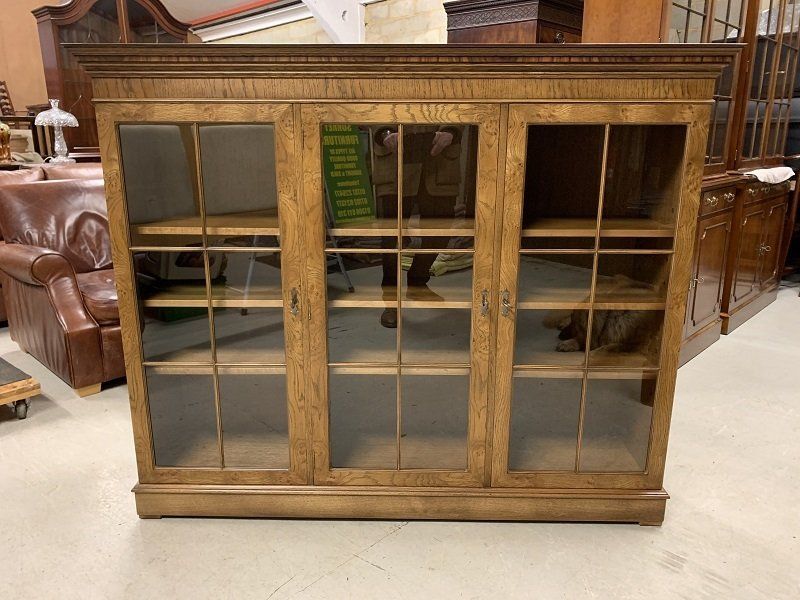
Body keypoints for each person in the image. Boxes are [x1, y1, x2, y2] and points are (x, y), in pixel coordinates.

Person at [371, 125, 464, 328]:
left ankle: (417, 281)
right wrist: (384, 133)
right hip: (396, 160)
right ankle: (391, 302)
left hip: (440, 161)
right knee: (391, 239)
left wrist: (452, 132)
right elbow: (368, 108)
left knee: (440, 232)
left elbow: (466, 108)